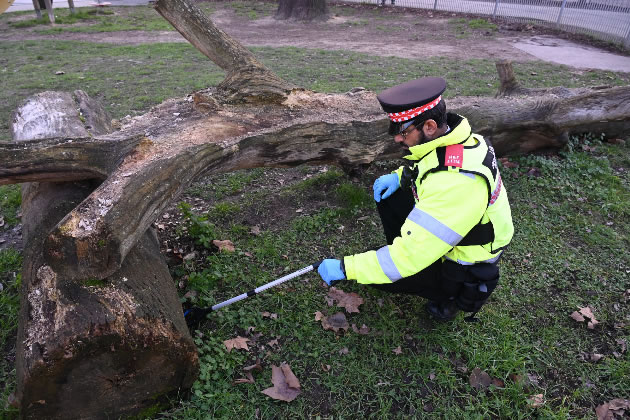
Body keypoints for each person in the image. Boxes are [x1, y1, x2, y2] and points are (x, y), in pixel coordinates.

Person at [317, 77, 514, 321]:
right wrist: (400, 177)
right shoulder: (462, 139)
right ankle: (413, 249)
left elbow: (407, 258)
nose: (397, 139)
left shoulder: (457, 184)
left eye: (402, 132)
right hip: (457, 227)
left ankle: (448, 299)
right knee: (393, 196)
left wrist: (346, 268)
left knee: (390, 276)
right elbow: (431, 165)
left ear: (429, 126)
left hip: (465, 260)